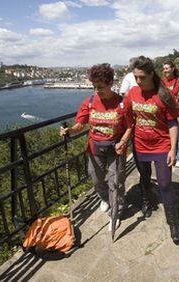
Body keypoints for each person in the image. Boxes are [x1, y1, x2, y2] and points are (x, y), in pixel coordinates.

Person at [60, 63, 132, 230]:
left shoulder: (122, 103)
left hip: (116, 148)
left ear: (110, 83)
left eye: (100, 86)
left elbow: (129, 126)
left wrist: (122, 142)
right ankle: (106, 198)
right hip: (95, 149)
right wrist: (69, 130)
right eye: (94, 86)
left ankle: (116, 211)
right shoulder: (90, 101)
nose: (96, 90)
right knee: (96, 178)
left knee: (116, 182)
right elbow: (80, 125)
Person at [124, 56, 179, 245]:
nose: (139, 81)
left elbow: (173, 123)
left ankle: (174, 223)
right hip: (140, 145)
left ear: (151, 74)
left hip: (161, 146)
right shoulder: (132, 92)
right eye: (136, 77)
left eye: (142, 77)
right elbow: (125, 117)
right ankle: (146, 201)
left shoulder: (163, 95)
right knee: (144, 178)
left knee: (165, 184)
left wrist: (173, 149)